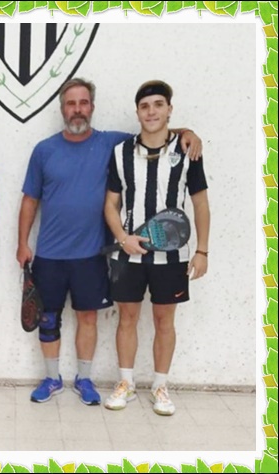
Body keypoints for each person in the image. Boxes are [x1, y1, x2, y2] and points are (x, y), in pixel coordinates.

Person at [16, 77, 202, 406]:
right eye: (71, 103)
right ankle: (51, 378)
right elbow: (30, 201)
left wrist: (188, 132)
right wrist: (22, 243)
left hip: (91, 254)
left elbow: (154, 131)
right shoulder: (44, 150)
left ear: (92, 107)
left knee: (87, 318)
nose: (77, 109)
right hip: (49, 253)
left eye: (83, 103)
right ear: (62, 109)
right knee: (48, 318)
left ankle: (84, 379)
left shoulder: (112, 144)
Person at [103, 80, 210, 416]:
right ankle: (126, 383)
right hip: (128, 254)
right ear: (137, 112)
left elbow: (200, 203)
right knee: (127, 318)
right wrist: (123, 237)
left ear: (169, 110)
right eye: (145, 106)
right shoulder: (120, 153)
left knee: (165, 320)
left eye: (158, 105)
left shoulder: (188, 150)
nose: (151, 112)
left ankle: (160, 387)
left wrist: (202, 251)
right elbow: (110, 204)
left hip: (173, 257)